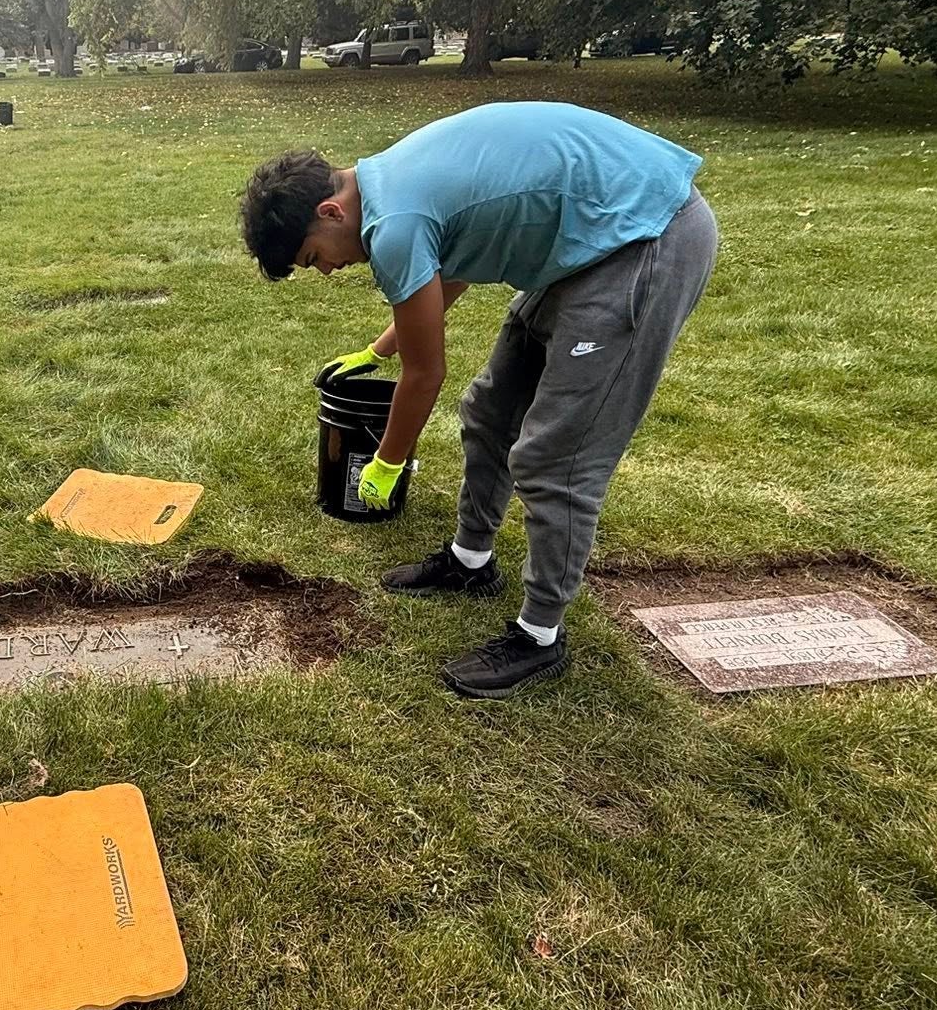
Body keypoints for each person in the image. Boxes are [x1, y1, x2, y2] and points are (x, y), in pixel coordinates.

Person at [238, 101, 718, 698]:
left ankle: (539, 636)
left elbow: (425, 374)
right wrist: (377, 351)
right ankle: (470, 562)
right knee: (491, 410)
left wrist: (387, 463)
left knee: (555, 458)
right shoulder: (385, 181)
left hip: (645, 235)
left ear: (329, 211)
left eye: (315, 258)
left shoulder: (394, 220)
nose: (329, 270)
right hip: (586, 243)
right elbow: (451, 266)